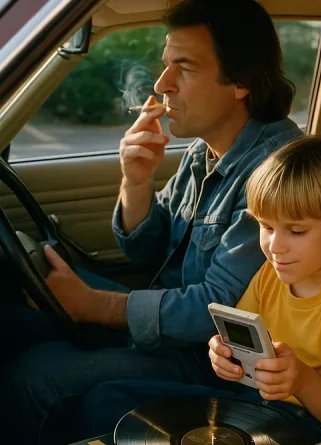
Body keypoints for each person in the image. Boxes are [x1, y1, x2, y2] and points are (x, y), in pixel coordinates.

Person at [0, 0, 301, 442]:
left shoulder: (277, 169)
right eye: (165, 66)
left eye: (185, 68)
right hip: (163, 321)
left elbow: (216, 311)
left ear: (240, 81)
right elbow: (145, 251)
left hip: (208, 358)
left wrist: (93, 305)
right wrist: (135, 182)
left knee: (34, 378)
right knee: (13, 308)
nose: (162, 85)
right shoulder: (205, 150)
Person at [75, 136, 321, 441]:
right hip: (248, 401)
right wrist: (222, 353)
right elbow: (237, 336)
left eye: (296, 231)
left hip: (308, 424)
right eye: (266, 227)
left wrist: (303, 381)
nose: (275, 246)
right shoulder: (270, 273)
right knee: (108, 400)